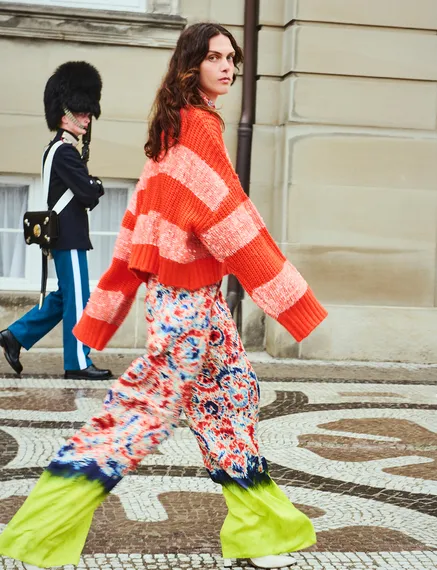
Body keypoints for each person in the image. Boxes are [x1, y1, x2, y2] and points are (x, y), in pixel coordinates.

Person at [0, 24, 327, 569]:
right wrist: (293, 301)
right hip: (185, 304)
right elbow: (230, 219)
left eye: (232, 58)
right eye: (215, 57)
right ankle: (39, 533)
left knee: (231, 398)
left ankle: (262, 530)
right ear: (190, 65)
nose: (228, 68)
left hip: (202, 301)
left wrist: (103, 314)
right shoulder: (195, 128)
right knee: (141, 413)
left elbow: (137, 228)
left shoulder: (173, 129)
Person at [0, 61, 112, 381]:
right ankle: (76, 363)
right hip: (70, 236)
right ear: (66, 115)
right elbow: (89, 194)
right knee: (78, 299)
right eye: (83, 113)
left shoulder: (55, 150)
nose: (88, 118)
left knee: (65, 296)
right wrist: (97, 184)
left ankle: (15, 336)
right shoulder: (65, 152)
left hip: (63, 234)